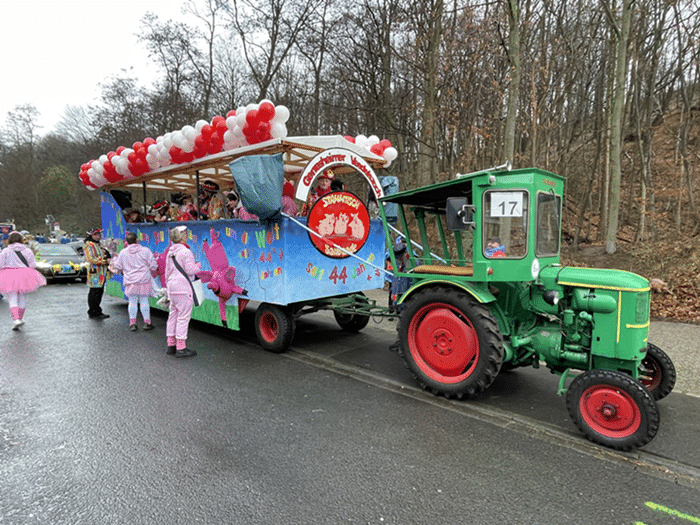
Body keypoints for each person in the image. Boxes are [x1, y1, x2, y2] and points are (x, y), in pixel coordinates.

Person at [164, 225, 201, 357]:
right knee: (183, 318)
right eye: (185, 233)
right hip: (183, 288)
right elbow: (190, 270)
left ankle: (171, 344)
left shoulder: (170, 252)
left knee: (172, 316)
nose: (186, 235)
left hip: (173, 288)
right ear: (181, 237)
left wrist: (168, 291)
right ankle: (181, 347)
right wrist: (198, 266)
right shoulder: (186, 252)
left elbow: (167, 273)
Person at [111, 231, 158, 331]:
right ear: (137, 240)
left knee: (132, 302)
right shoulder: (145, 250)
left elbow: (118, 266)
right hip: (144, 280)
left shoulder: (123, 252)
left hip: (130, 281)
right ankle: (147, 322)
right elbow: (153, 266)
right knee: (144, 301)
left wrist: (114, 258)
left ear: (127, 242)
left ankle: (132, 323)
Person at [0, 231, 47, 329]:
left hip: (9, 274)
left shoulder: (5, 251)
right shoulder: (27, 250)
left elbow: (1, 264)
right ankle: (20, 319)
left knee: (12, 297)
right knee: (22, 297)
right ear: (21, 239)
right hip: (25, 274)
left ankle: (16, 319)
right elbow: (33, 265)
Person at [84, 228, 111, 319]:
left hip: (101, 272)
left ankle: (95, 310)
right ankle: (94, 311)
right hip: (95, 272)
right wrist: (104, 261)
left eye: (99, 234)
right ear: (91, 235)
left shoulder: (98, 244)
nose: (98, 236)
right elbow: (90, 258)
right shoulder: (89, 245)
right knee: (95, 292)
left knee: (98, 292)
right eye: (96, 234)